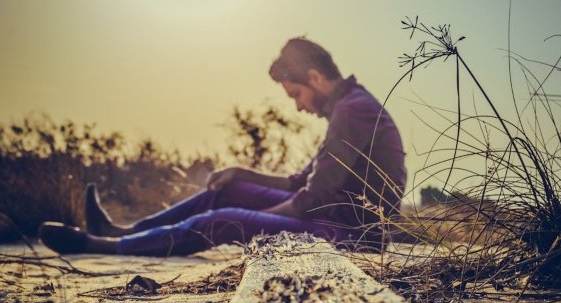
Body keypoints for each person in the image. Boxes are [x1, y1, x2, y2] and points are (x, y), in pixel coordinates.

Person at [39, 37, 407, 256]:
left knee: (228, 219)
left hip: (353, 238)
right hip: (326, 219)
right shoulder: (349, 107)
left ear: (314, 77)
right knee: (229, 189)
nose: (297, 105)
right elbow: (301, 183)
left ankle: (103, 246)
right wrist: (240, 174)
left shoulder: (353, 112)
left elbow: (309, 200)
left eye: (296, 94)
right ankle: (125, 231)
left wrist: (253, 219)